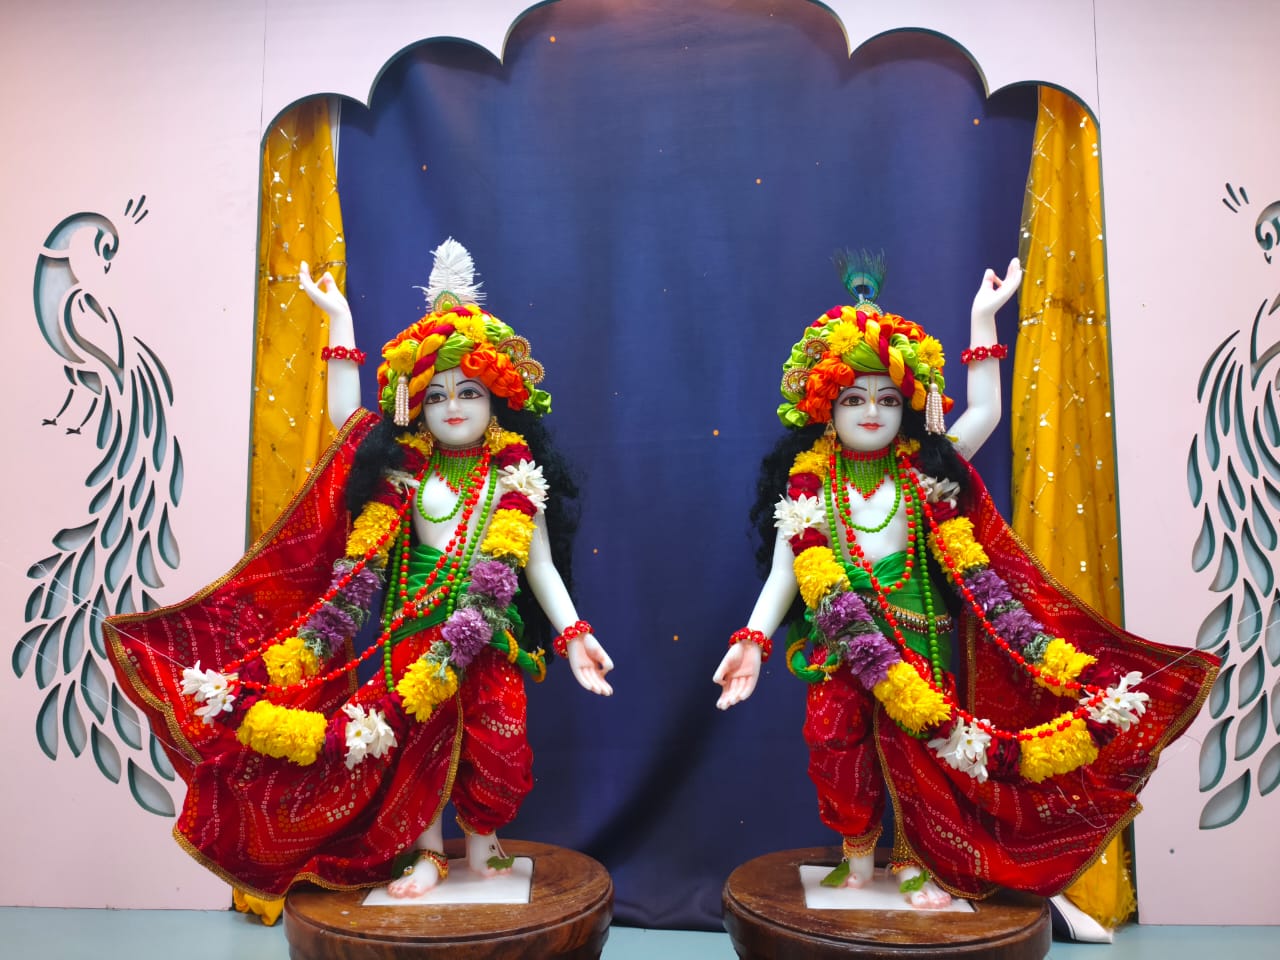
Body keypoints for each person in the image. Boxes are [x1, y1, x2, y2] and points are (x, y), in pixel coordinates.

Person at [106, 239, 613, 901]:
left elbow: (538, 565)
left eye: (469, 392)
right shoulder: (404, 469)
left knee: (499, 748)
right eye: (436, 395)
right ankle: (428, 854)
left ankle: (484, 845)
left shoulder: (515, 478)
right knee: (416, 748)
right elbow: (347, 420)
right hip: (412, 634)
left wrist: (574, 636)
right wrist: (340, 323)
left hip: (489, 637)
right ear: (415, 406)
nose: (453, 406)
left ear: (498, 399)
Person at [713, 254, 1217, 909]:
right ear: (824, 406)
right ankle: (857, 860)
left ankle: (918, 863)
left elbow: (983, 412)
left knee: (920, 754)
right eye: (854, 398)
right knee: (834, 747)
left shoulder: (925, 469)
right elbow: (788, 570)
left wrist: (984, 319)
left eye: (888, 399)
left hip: (918, 638)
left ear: (910, 406)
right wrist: (753, 641)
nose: (872, 412)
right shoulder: (809, 486)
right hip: (839, 647)